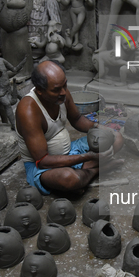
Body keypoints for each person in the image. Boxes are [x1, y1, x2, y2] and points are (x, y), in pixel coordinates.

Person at [15, 61, 124, 194]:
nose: (63, 92)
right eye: (56, 90)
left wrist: (101, 128)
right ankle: (97, 170)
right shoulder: (28, 110)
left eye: (65, 85)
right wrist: (88, 156)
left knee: (116, 137)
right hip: (43, 166)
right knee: (69, 178)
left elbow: (77, 119)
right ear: (40, 91)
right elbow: (43, 161)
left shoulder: (61, 93)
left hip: (71, 151)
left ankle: (83, 175)